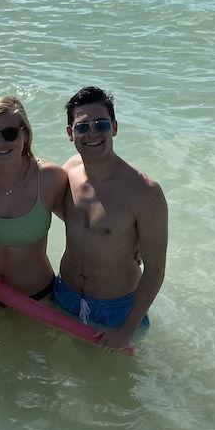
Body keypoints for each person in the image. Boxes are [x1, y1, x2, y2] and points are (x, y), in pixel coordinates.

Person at [57, 86, 167, 350]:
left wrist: (126, 331)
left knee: (116, 387)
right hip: (65, 296)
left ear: (114, 128)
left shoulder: (144, 191)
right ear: (70, 134)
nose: (92, 133)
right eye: (82, 127)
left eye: (101, 124)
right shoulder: (68, 171)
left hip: (116, 310)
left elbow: (155, 270)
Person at [0, 96, 67, 299]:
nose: (1, 143)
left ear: (26, 135)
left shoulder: (49, 177)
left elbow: (85, 227)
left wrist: (133, 244)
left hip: (39, 297)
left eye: (10, 134)